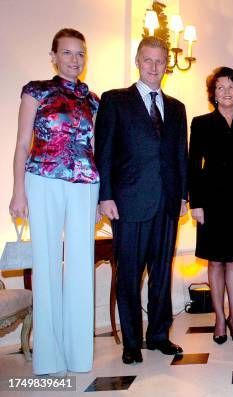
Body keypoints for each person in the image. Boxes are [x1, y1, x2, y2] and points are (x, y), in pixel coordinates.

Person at [9, 28, 99, 376]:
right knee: (46, 265)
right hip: (42, 180)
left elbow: (97, 148)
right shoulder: (36, 91)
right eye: (67, 53)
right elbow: (21, 144)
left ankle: (78, 356)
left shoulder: (93, 100)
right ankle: (48, 359)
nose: (74, 60)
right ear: (53, 56)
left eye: (80, 54)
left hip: (85, 184)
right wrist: (18, 190)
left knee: (80, 266)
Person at [95, 36, 188, 364]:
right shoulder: (115, 100)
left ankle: (159, 335)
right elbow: (103, 152)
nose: (153, 67)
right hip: (129, 203)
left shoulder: (177, 108)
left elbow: (180, 155)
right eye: (147, 60)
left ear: (166, 65)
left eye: (159, 61)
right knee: (130, 275)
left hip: (166, 204)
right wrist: (104, 196)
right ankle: (131, 342)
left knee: (162, 272)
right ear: (138, 61)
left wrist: (183, 197)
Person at [188, 67, 233, 345]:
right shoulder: (201, 123)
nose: (226, 92)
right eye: (220, 87)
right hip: (211, 202)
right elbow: (194, 166)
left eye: (231, 87)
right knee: (215, 261)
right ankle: (219, 318)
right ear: (213, 94)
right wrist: (196, 204)